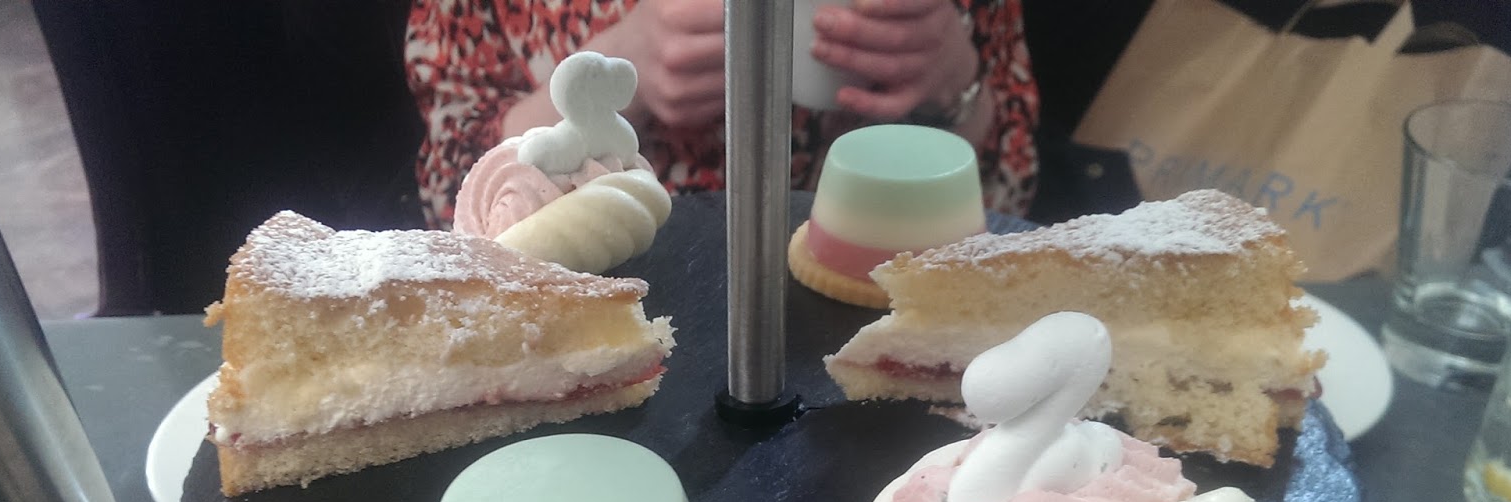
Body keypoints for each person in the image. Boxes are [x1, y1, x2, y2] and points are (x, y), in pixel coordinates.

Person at [406, 0, 1039, 229]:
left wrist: (954, 87)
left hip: (880, 276)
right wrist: (614, 76)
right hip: (602, 307)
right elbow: (451, 198)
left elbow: (1012, 192)